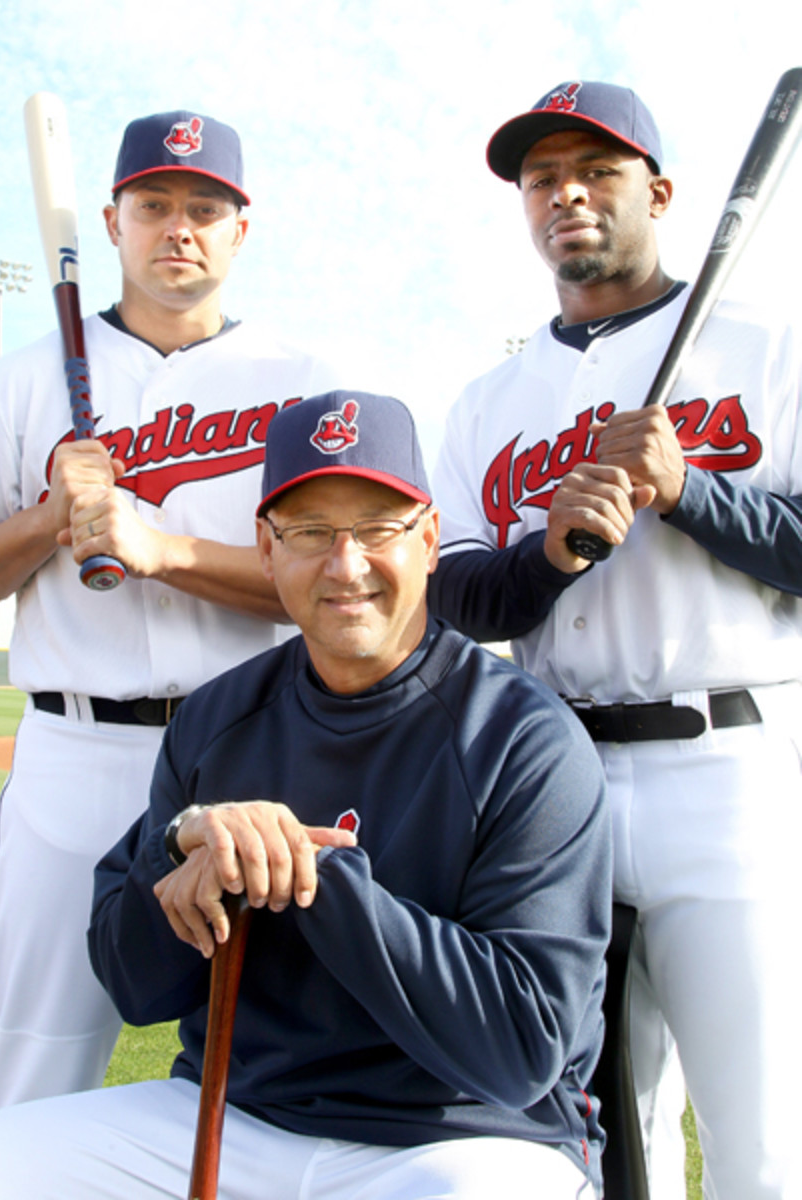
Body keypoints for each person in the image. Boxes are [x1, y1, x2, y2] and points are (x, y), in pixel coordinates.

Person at [0, 390, 612, 1200]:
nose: (345, 564)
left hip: (464, 1140)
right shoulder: (219, 720)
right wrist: (179, 855)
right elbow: (135, 987)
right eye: (309, 532)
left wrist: (313, 876)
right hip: (232, 1114)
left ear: (428, 541)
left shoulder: (523, 737)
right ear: (267, 551)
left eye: (377, 529)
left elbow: (521, 1052)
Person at [0, 109, 339, 1111]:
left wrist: (164, 551)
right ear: (111, 223)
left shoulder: (302, 387)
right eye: (155, 204)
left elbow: (334, 585)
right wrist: (48, 519)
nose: (179, 227)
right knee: (37, 1071)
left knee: (269, 1078)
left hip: (249, 755)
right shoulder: (22, 382)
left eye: (206, 208)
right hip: (74, 758)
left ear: (240, 230)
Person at [429, 80, 802, 1200]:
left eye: (597, 170)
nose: (567, 195)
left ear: (661, 195)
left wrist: (690, 491)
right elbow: (459, 599)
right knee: (601, 1135)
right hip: (555, 783)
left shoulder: (772, 350)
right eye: (542, 178)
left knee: (762, 1138)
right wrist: (547, 557)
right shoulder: (488, 401)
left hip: (729, 770)